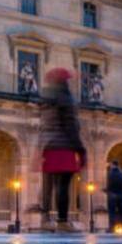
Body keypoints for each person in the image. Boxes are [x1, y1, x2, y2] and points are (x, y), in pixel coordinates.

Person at [40, 68, 87, 231]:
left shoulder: (47, 99)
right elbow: (71, 126)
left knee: (49, 184)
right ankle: (62, 220)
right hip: (64, 146)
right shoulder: (66, 99)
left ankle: (45, 219)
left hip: (49, 146)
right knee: (63, 186)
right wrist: (80, 150)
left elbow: (45, 125)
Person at [104, 160, 122, 231]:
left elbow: (110, 185)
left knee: (112, 212)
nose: (110, 166)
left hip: (113, 195)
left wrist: (106, 190)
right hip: (121, 195)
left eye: (111, 165)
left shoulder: (111, 174)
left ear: (113, 165)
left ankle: (112, 228)